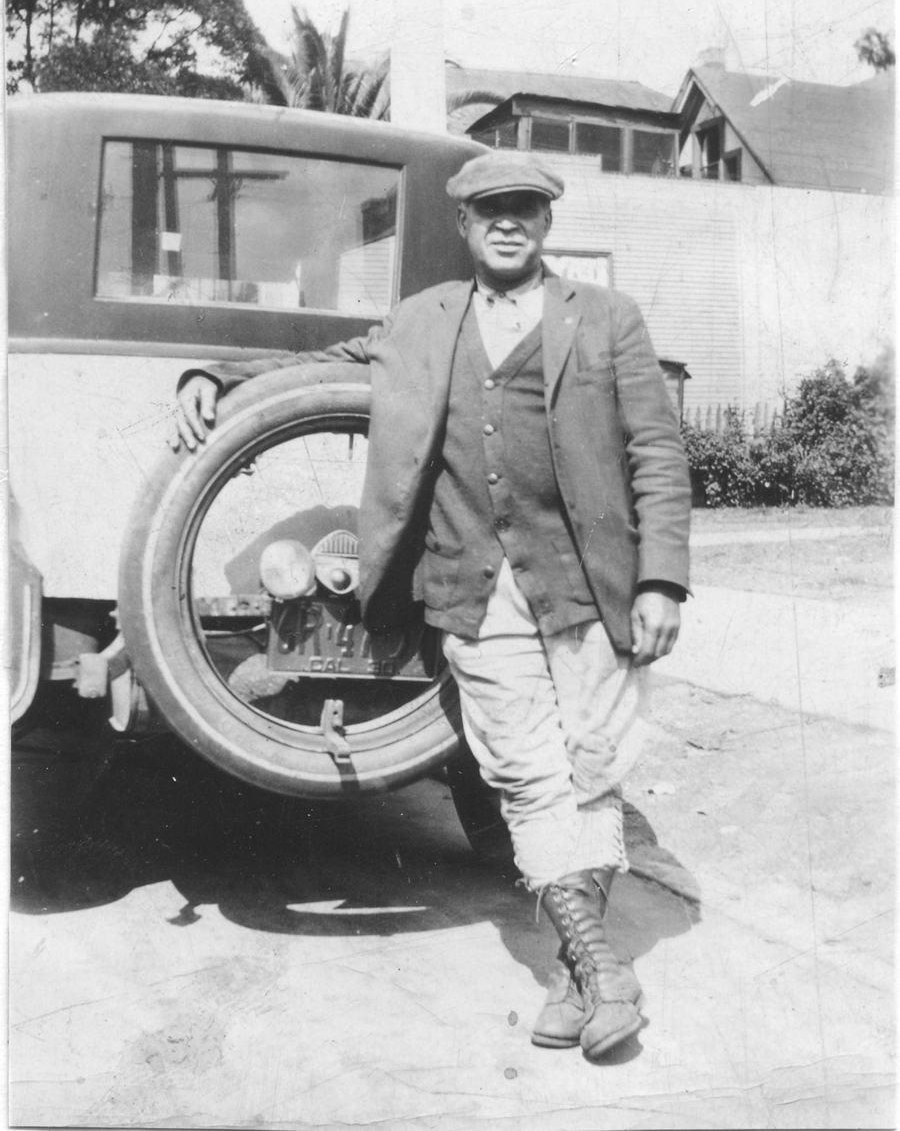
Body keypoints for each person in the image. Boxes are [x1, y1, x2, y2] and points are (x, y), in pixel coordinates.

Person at [173, 149, 691, 1061]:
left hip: (594, 589)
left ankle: (582, 975)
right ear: (463, 225)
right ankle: (605, 970)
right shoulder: (422, 320)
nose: (506, 221)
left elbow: (657, 452)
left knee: (593, 768)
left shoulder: (608, 319)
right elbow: (325, 363)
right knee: (528, 777)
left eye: (524, 207)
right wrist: (218, 374)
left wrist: (661, 579)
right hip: (474, 591)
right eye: (489, 209)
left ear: (546, 222)